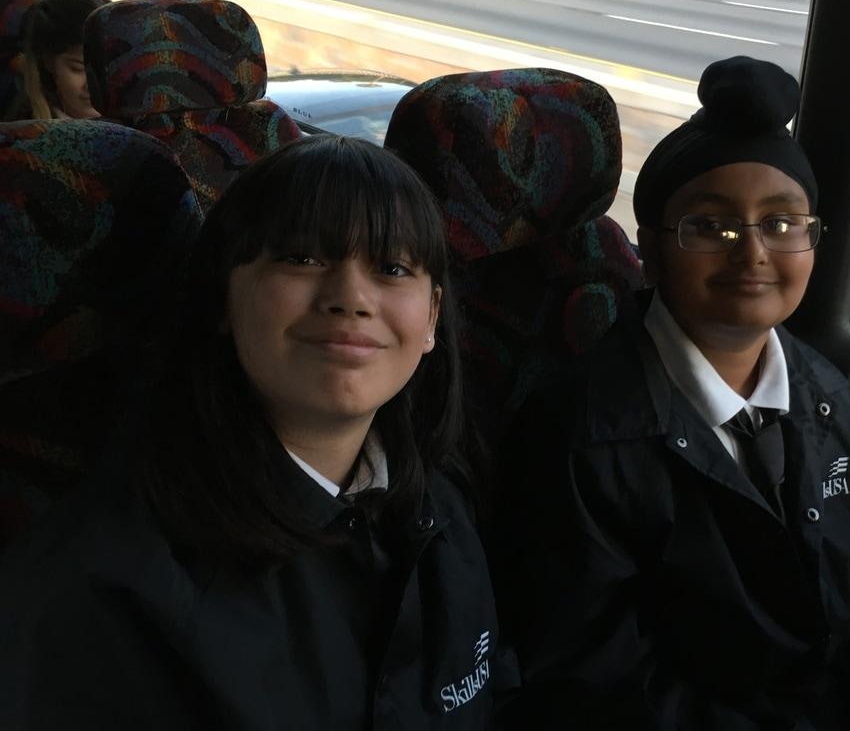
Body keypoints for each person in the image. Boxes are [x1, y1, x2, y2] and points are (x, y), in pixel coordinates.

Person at [494, 57, 850, 730]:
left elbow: (845, 595)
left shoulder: (825, 393)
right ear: (652, 251)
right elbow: (596, 677)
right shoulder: (580, 435)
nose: (752, 253)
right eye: (709, 227)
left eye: (781, 223)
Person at [0, 135, 503, 730]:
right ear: (223, 297)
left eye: (392, 269)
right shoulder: (105, 583)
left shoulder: (441, 503)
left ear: (432, 319)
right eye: (302, 258)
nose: (350, 298)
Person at [19, 0, 108, 120]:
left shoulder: (136, 121)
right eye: (78, 68)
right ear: (48, 63)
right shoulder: (24, 130)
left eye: (108, 68)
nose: (97, 86)